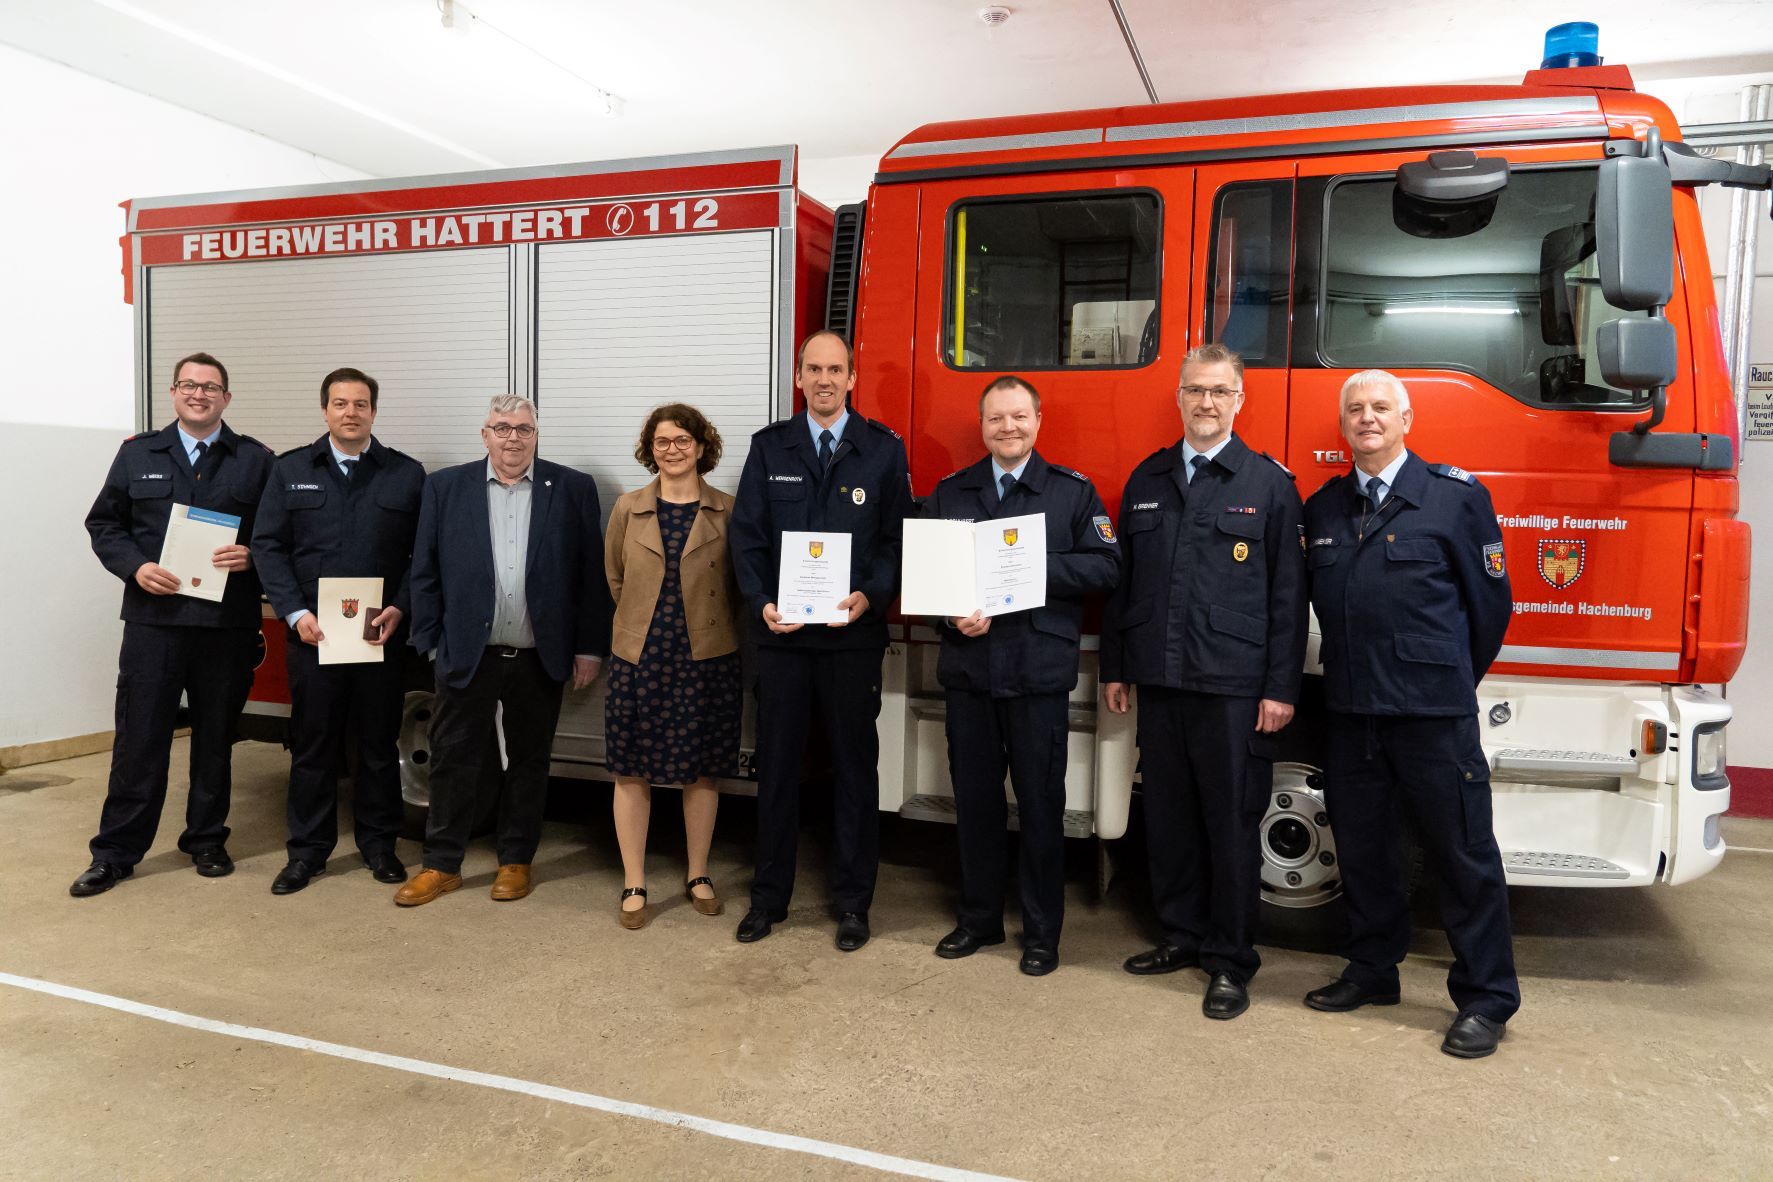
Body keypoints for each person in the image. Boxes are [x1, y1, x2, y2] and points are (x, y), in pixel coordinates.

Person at [1300, 368, 1517, 1059]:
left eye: (1380, 408)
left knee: (1461, 857)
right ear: (1343, 425)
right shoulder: (1325, 508)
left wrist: (1445, 680)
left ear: (1406, 419)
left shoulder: (1453, 499)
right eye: (1355, 409)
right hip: (1351, 709)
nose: (1366, 418)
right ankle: (1372, 970)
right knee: (1363, 853)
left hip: (1430, 716)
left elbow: (1488, 611)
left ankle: (1485, 999)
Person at [1100, 343, 1307, 1019]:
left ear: (1238, 401)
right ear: (1179, 398)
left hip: (1233, 687)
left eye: (1219, 392)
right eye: (1195, 391)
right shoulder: (1147, 479)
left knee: (1228, 825)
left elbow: (1286, 596)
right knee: (1168, 822)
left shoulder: (1267, 484)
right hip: (1160, 682)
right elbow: (1123, 585)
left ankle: (1229, 961)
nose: (1206, 403)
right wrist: (1115, 666)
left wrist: (1280, 688)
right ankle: (1180, 937)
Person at [923, 377, 1119, 975]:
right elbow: (926, 577)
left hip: (1037, 673)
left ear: (1039, 421)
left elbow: (1107, 568)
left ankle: (1041, 933)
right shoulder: (952, 492)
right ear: (981, 427)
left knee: (1040, 805)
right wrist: (952, 617)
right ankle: (978, 920)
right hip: (971, 671)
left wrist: (1033, 567)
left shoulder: (1071, 493)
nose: (1007, 428)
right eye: (995, 419)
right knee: (976, 804)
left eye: (1018, 417)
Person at [728, 330, 912, 950]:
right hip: (782, 638)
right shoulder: (768, 446)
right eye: (814, 369)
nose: (826, 379)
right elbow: (747, 538)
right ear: (799, 378)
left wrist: (871, 596)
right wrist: (761, 603)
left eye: (836, 369)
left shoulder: (883, 450)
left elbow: (895, 539)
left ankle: (854, 904)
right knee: (776, 770)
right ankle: (768, 900)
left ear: (852, 378)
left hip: (851, 639)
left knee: (855, 771)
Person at [395, 394, 611, 907]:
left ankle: (516, 860)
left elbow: (590, 577)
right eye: (502, 428)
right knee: (453, 759)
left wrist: (588, 648)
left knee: (530, 761)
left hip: (538, 656)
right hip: (467, 653)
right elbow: (424, 570)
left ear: (536, 435)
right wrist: (430, 642)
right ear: (484, 434)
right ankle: (440, 864)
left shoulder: (572, 489)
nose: (513, 437)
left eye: (523, 429)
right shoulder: (446, 487)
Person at [72, 351, 274, 896]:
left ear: (226, 398)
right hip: (154, 625)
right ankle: (115, 852)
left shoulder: (256, 460)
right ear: (174, 393)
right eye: (189, 384)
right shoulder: (138, 454)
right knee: (140, 741)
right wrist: (135, 567)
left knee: (215, 740)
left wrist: (252, 554)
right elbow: (103, 523)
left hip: (225, 627)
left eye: (210, 387)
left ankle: (205, 838)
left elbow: (281, 536)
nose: (199, 394)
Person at [250, 367, 426, 895]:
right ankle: (307, 853)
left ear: (375, 411)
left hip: (379, 636)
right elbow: (268, 546)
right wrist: (294, 613)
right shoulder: (290, 470)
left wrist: (401, 607)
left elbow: (425, 555)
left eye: (361, 403)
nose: (351, 412)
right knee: (314, 747)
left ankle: (379, 846)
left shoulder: (405, 474)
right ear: (324, 410)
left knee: (375, 745)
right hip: (314, 637)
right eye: (340, 403)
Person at [603, 404, 742, 929]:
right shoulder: (627, 509)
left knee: (701, 770)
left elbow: (737, 588)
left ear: (702, 447)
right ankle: (634, 881)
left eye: (684, 440)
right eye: (663, 441)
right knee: (631, 770)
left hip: (705, 656)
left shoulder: (728, 512)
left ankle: (699, 873)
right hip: (641, 656)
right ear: (650, 449)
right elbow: (615, 578)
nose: (673, 449)